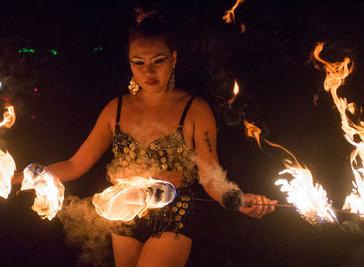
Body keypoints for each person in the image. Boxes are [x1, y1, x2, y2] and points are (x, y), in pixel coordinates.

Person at [14, 9, 277, 267]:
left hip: (173, 216)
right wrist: (21, 177)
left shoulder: (195, 109)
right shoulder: (114, 109)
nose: (148, 72)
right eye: (138, 62)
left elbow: (211, 177)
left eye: (158, 60)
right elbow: (75, 164)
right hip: (124, 215)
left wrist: (238, 199)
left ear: (174, 59)